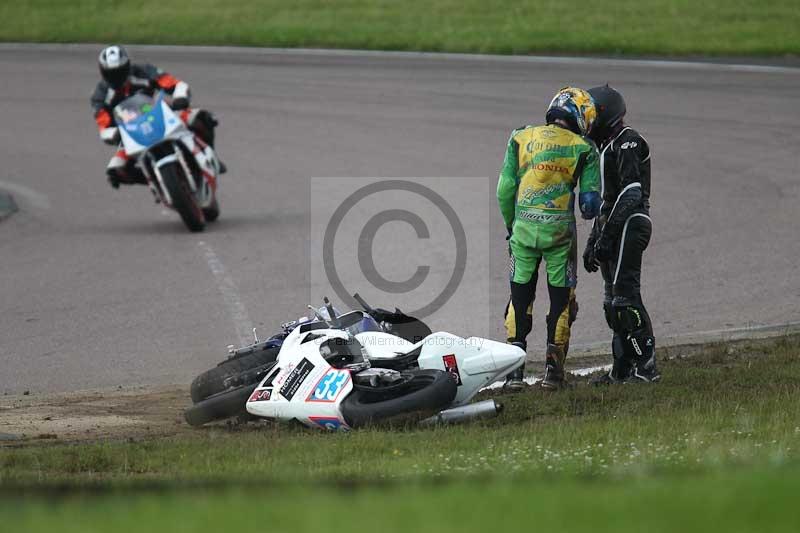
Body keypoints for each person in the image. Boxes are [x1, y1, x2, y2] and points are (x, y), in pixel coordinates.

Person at [497, 87, 601, 391]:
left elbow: (504, 190)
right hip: (560, 237)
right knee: (560, 301)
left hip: (523, 233)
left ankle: (514, 375)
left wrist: (512, 226)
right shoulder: (585, 148)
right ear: (582, 117)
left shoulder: (520, 136)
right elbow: (589, 206)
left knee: (519, 298)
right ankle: (553, 375)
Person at [583, 85, 660, 384]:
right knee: (611, 302)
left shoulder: (628, 141)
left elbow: (630, 195)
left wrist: (606, 238)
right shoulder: (604, 148)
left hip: (633, 222)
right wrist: (594, 242)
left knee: (625, 298)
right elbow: (606, 202)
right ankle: (622, 368)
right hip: (614, 227)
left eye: (589, 115)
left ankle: (646, 366)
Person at [90, 45, 224, 188]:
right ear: (103, 72)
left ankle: (212, 157)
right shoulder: (100, 96)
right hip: (131, 133)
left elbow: (175, 83)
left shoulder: (143, 71)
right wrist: (113, 134)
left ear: (127, 66)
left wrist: (180, 97)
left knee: (202, 117)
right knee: (116, 171)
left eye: (120, 71)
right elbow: (103, 126)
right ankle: (159, 181)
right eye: (111, 73)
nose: (116, 77)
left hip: (161, 114)